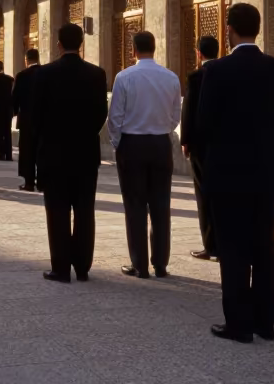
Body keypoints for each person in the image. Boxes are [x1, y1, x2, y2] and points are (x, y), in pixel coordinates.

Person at [196, 3, 274, 343]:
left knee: (233, 247)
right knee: (264, 245)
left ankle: (238, 323)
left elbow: (204, 123)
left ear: (229, 30)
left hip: (227, 172)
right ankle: (265, 322)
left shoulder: (217, 71)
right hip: (265, 171)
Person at [32, 24, 108, 283]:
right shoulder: (96, 74)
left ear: (58, 44)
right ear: (82, 44)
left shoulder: (44, 74)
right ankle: (83, 267)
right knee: (85, 209)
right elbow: (101, 113)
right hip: (86, 152)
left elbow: (35, 117)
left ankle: (61, 268)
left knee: (57, 210)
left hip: (54, 153)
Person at [108, 30, 181, 279]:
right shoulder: (170, 77)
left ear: (134, 50)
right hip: (161, 145)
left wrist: (119, 143)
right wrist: (161, 131)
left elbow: (115, 116)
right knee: (161, 205)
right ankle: (160, 263)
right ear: (155, 48)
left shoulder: (125, 77)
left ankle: (140, 264)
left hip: (133, 145)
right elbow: (175, 117)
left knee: (135, 204)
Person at [181, 35, 219, 262]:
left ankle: (211, 245)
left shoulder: (196, 76)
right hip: (223, 143)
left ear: (199, 53)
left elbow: (189, 111)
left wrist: (186, 140)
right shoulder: (225, 72)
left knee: (204, 195)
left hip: (201, 146)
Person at [13, 48, 42, 191]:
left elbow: (15, 99)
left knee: (27, 152)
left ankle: (29, 182)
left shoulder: (21, 75)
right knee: (42, 151)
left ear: (26, 59)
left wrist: (13, 112)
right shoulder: (46, 73)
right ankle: (43, 182)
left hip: (26, 120)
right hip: (44, 120)